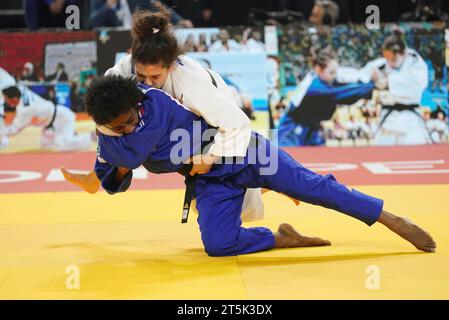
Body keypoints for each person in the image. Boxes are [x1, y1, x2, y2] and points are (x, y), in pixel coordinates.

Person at [86, 75, 436, 256]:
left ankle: (389, 218)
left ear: (136, 102)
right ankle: (281, 239)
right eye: (120, 127)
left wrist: (130, 152)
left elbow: (129, 76)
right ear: (105, 126)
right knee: (218, 246)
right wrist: (120, 165)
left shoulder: (157, 99)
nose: (130, 127)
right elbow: (112, 181)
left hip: (247, 152)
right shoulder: (111, 145)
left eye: (131, 119)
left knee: (315, 188)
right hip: (212, 182)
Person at [62, 7, 294, 222]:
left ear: (170, 66)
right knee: (117, 124)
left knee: (219, 203)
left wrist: (212, 156)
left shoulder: (190, 80)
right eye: (142, 77)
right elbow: (102, 110)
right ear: (133, 57)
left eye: (155, 78)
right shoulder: (123, 70)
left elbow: (233, 123)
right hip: (171, 126)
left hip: (208, 124)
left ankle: (271, 181)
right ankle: (95, 179)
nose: (147, 83)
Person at [338, 33, 431, 145]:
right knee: (382, 155)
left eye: (394, 58)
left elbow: (417, 85)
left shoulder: (416, 64)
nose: (390, 62)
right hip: (387, 120)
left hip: (411, 123)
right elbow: (359, 75)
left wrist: (386, 82)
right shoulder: (382, 65)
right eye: (387, 57)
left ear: (403, 53)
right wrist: (335, 73)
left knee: (413, 157)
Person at [277, 48, 377, 146]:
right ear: (318, 69)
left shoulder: (323, 79)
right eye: (331, 72)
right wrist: (371, 85)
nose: (334, 75)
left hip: (311, 129)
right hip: (290, 132)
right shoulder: (314, 87)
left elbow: (348, 79)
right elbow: (342, 95)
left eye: (335, 72)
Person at [0, 81, 93, 151]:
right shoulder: (20, 89)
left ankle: (92, 136)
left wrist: (3, 132)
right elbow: (12, 87)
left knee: (64, 145)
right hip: (50, 124)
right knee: (46, 147)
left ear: (14, 99)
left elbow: (14, 130)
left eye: (6, 99)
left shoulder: (24, 110)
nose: (6, 102)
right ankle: (70, 135)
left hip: (62, 118)